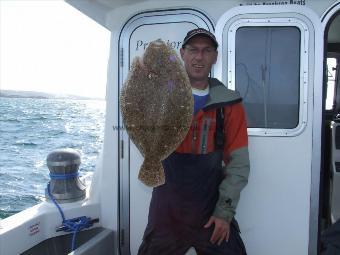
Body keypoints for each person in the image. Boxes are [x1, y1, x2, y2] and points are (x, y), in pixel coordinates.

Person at [138, 28, 250, 255]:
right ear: (182, 53)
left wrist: (224, 213)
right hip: (167, 211)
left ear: (215, 56)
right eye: (193, 50)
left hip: (210, 210)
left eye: (206, 50)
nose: (199, 57)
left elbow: (238, 164)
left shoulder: (230, 103)